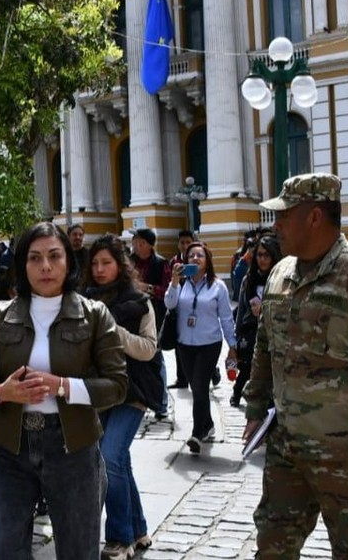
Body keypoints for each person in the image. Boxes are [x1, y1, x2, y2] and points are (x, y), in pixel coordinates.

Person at [242, 173, 348, 559]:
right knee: (271, 544)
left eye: (284, 216)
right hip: (287, 447)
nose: (276, 226)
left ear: (315, 216)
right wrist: (255, 407)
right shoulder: (280, 274)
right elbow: (264, 348)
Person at [0, 222, 127, 560]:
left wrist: (64, 386)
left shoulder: (94, 315)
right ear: (23, 265)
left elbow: (117, 386)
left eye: (55, 256)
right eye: (35, 258)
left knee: (78, 551)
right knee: (6, 550)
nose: (46, 267)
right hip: (10, 448)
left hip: (74, 450)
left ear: (68, 261)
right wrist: (2, 392)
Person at [84, 234, 159, 560]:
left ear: (120, 265)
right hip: (99, 393)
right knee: (120, 462)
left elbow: (148, 349)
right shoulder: (84, 301)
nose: (99, 269)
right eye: (95, 263)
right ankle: (139, 529)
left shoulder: (139, 302)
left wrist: (114, 330)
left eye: (107, 263)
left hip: (133, 392)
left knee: (110, 457)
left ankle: (119, 538)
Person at [165, 241, 236, 454]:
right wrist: (174, 282)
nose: (195, 259)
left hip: (209, 344)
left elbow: (225, 317)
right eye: (191, 256)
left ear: (207, 261)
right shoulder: (181, 284)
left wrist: (232, 345)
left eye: (200, 256)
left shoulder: (217, 286)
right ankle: (208, 423)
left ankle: (197, 432)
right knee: (196, 388)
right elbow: (169, 304)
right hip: (184, 344)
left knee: (200, 385)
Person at [230, 234, 281, 408]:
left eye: (267, 255)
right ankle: (238, 392)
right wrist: (235, 338)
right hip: (251, 331)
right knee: (247, 368)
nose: (262, 259)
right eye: (259, 255)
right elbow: (241, 309)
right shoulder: (249, 279)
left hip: (274, 331)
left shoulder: (280, 279)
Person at [161, 229, 196, 397]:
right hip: (178, 308)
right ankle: (182, 378)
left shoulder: (198, 260)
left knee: (197, 344)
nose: (185, 246)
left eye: (188, 242)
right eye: (182, 242)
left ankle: (212, 371)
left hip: (196, 308)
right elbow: (168, 282)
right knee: (179, 344)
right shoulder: (173, 262)